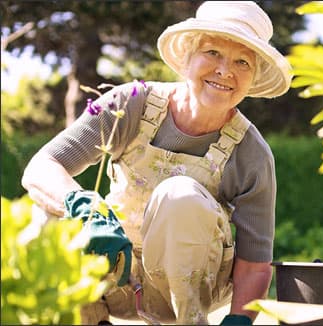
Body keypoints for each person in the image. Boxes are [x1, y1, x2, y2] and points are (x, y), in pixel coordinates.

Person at [21, 1, 291, 324]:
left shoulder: (251, 153)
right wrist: (83, 207)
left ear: (253, 77)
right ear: (188, 57)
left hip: (190, 292)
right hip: (110, 275)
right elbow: (42, 166)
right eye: (213, 53)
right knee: (45, 217)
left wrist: (241, 320)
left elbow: (255, 264)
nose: (225, 71)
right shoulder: (131, 105)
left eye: (242, 62)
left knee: (180, 195)